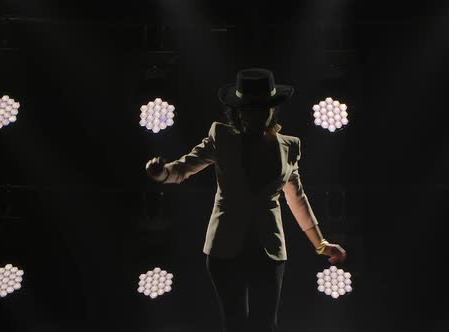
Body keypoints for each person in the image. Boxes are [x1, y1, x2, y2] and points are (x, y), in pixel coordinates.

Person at [146, 68, 346, 332]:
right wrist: (162, 173)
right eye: (251, 109)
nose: (257, 114)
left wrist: (321, 244)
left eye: (263, 108)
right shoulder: (222, 137)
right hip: (225, 249)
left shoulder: (289, 146)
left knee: (266, 324)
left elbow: (297, 199)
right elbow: (183, 168)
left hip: (269, 249)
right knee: (235, 323)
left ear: (272, 109)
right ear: (239, 110)